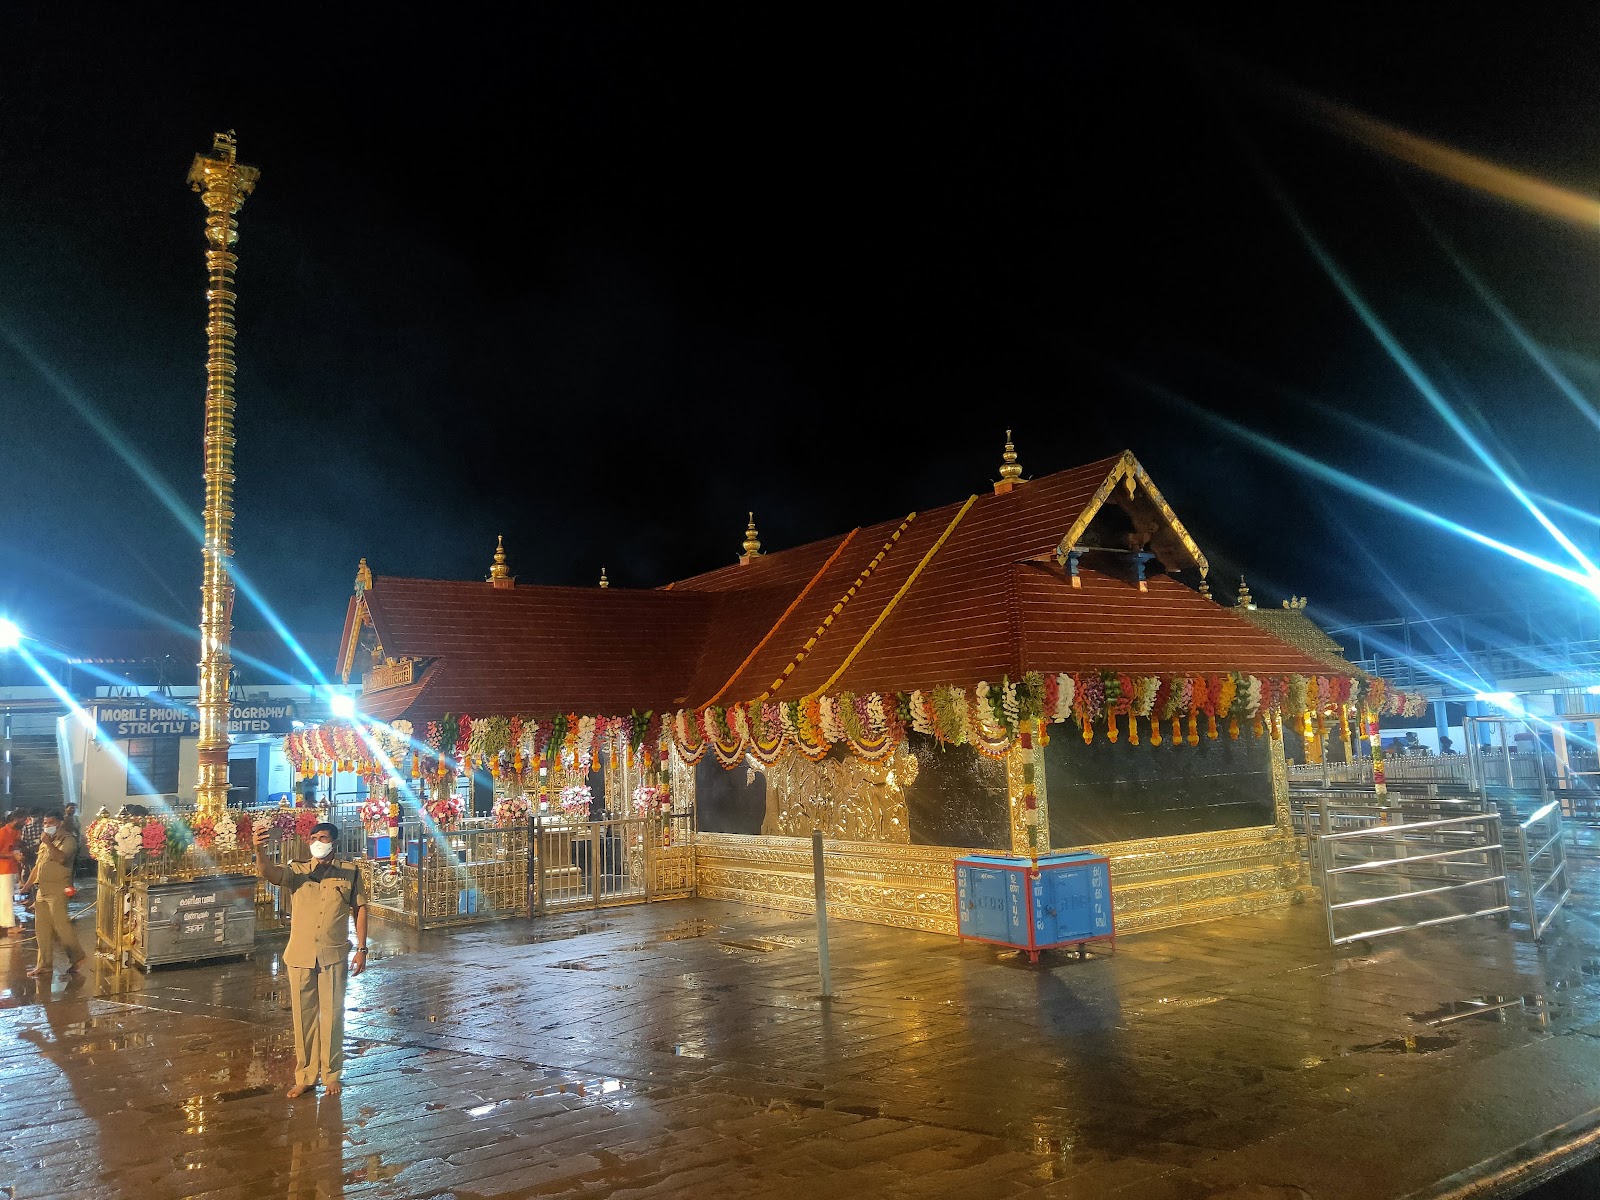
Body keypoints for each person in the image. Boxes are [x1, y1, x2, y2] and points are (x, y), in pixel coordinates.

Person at [254, 820, 369, 1098]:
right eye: (314, 837)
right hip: (300, 954)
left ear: (334, 842)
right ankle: (305, 1075)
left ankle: (331, 1074)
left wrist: (362, 949)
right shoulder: (297, 871)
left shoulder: (350, 872)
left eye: (324, 837)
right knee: (303, 1017)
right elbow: (270, 873)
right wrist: (259, 851)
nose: (319, 841)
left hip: (332, 954)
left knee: (332, 1016)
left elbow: (361, 908)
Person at [25, 811, 86, 980]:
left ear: (59, 823)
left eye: (51, 822)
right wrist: (26, 886)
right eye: (45, 822)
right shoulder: (45, 841)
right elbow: (38, 866)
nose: (47, 825)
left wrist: (49, 843)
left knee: (61, 925)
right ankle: (44, 964)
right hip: (41, 889)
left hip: (58, 888)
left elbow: (60, 859)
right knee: (42, 928)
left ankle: (77, 957)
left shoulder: (68, 840)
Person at [0, 812, 23, 938]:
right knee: (6, 898)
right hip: (4, 869)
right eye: (22, 819)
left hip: (12, 868)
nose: (24, 822)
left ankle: (6, 921)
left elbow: (15, 847)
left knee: (8, 897)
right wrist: (12, 856)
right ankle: (9, 925)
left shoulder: (16, 833)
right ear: (15, 819)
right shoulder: (2, 832)